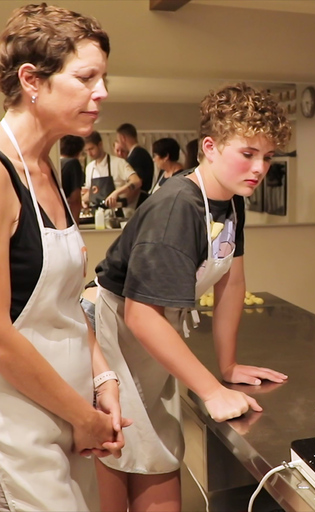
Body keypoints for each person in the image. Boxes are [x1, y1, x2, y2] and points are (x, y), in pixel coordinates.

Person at [93, 82, 291, 511]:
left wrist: (228, 365)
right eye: (247, 153)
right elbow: (141, 315)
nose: (259, 167)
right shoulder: (177, 206)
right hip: (114, 338)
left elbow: (231, 283)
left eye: (267, 156)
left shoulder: (233, 201)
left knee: (156, 455)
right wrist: (211, 390)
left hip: (151, 338)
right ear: (211, 147)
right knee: (116, 458)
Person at [0, 4, 128, 510]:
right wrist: (82, 417)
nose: (102, 93)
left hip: (70, 415)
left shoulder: (47, 167)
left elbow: (67, 302)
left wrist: (102, 378)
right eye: (86, 77)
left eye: (103, 78)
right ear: (32, 80)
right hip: (18, 427)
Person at [83, 130, 142, 215]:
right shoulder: (89, 168)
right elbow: (91, 192)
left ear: (100, 145)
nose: (89, 153)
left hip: (119, 213)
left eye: (91, 149)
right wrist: (82, 200)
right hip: (97, 214)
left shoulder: (119, 163)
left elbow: (136, 181)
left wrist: (116, 193)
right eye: (86, 150)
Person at [116, 122, 154, 196]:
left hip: (138, 199)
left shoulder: (136, 155)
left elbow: (137, 183)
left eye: (118, 140)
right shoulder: (142, 152)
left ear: (122, 138)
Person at [59, 134, 85, 223]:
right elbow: (75, 199)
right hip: (65, 217)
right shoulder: (73, 164)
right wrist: (75, 224)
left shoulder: (57, 163)